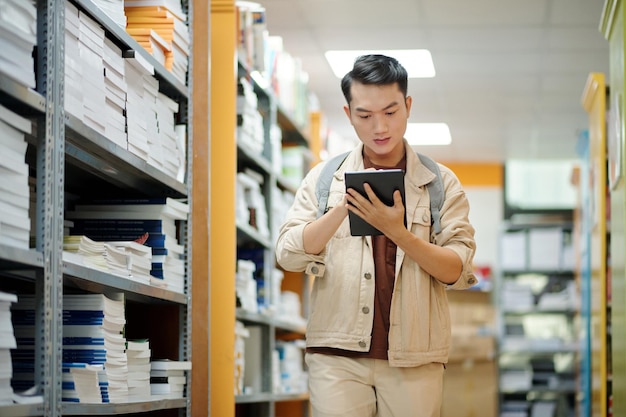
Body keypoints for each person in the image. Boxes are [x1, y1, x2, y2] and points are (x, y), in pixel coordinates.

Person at [275, 54, 477, 417]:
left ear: (408, 106)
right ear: (349, 112)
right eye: (365, 115)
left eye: (390, 111)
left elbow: (456, 270)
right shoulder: (325, 179)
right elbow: (288, 254)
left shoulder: (440, 183)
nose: (379, 127)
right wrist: (343, 207)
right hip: (336, 356)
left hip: (415, 358)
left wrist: (397, 232)